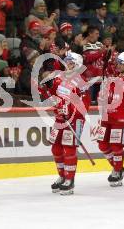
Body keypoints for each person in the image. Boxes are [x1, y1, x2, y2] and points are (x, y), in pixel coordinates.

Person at [40, 52, 90, 195]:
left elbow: (84, 106)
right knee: (56, 148)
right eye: (67, 62)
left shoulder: (82, 82)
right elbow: (53, 94)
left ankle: (70, 179)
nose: (67, 65)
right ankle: (62, 176)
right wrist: (44, 88)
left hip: (74, 120)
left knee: (69, 149)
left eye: (71, 63)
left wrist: (69, 111)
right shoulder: (60, 77)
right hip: (60, 118)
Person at [96, 51, 124, 186]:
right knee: (102, 144)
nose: (117, 65)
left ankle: (117, 171)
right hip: (107, 115)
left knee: (116, 145)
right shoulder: (117, 76)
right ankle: (119, 168)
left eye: (121, 63)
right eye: (117, 63)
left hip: (121, 116)